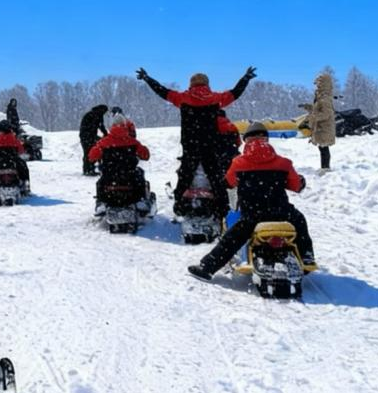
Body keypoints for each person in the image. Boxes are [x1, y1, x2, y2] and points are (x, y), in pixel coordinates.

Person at [187, 122, 316, 281]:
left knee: (231, 239)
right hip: (283, 213)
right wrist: (300, 181)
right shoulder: (284, 163)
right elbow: (296, 185)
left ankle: (207, 268)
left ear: (246, 140)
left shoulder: (239, 163)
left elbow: (228, 183)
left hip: (253, 215)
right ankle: (307, 257)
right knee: (300, 221)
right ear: (266, 139)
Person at [136, 67, 256, 218]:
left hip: (190, 145)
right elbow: (235, 93)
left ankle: (179, 206)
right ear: (207, 84)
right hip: (210, 146)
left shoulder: (182, 98)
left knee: (185, 177)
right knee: (216, 179)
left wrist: (147, 79)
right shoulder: (215, 99)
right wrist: (245, 79)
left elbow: (162, 91)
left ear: (191, 85)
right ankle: (222, 210)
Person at [88, 114, 150, 216]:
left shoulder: (103, 142)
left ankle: (101, 202)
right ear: (125, 126)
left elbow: (91, 157)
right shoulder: (132, 142)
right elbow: (146, 155)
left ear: (111, 126)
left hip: (110, 178)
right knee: (140, 174)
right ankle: (140, 200)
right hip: (130, 178)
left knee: (100, 182)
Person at [0, 120, 31, 195]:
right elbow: (21, 151)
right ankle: (25, 184)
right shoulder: (15, 140)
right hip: (13, 162)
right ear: (10, 128)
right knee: (23, 166)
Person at [307, 73, 336, 170]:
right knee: (322, 148)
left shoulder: (325, 98)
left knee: (324, 148)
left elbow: (326, 113)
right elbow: (319, 109)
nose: (317, 85)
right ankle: (324, 167)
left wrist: (313, 117)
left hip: (324, 127)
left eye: (319, 83)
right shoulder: (321, 96)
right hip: (321, 127)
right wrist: (309, 108)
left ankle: (325, 168)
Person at [79, 105, 109, 175]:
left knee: (89, 152)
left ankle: (88, 168)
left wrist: (105, 135)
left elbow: (101, 126)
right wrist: (106, 135)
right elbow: (101, 126)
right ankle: (88, 169)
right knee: (89, 152)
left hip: (87, 136)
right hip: (87, 136)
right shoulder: (96, 115)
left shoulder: (93, 114)